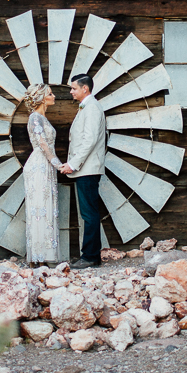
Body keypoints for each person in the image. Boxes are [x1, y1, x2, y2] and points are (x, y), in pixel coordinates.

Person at [60, 73, 107, 269]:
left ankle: (90, 256)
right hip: (85, 169)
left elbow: (90, 140)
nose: (71, 91)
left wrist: (73, 164)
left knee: (89, 213)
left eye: (73, 88)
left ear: (84, 89)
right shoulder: (86, 107)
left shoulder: (92, 108)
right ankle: (90, 255)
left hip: (87, 169)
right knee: (88, 213)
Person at [23, 83, 64, 266]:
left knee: (46, 207)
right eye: (50, 93)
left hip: (45, 165)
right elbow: (42, 143)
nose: (53, 96)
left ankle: (44, 255)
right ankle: (38, 257)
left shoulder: (41, 118)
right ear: (41, 98)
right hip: (39, 164)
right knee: (39, 208)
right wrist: (56, 162)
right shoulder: (35, 117)